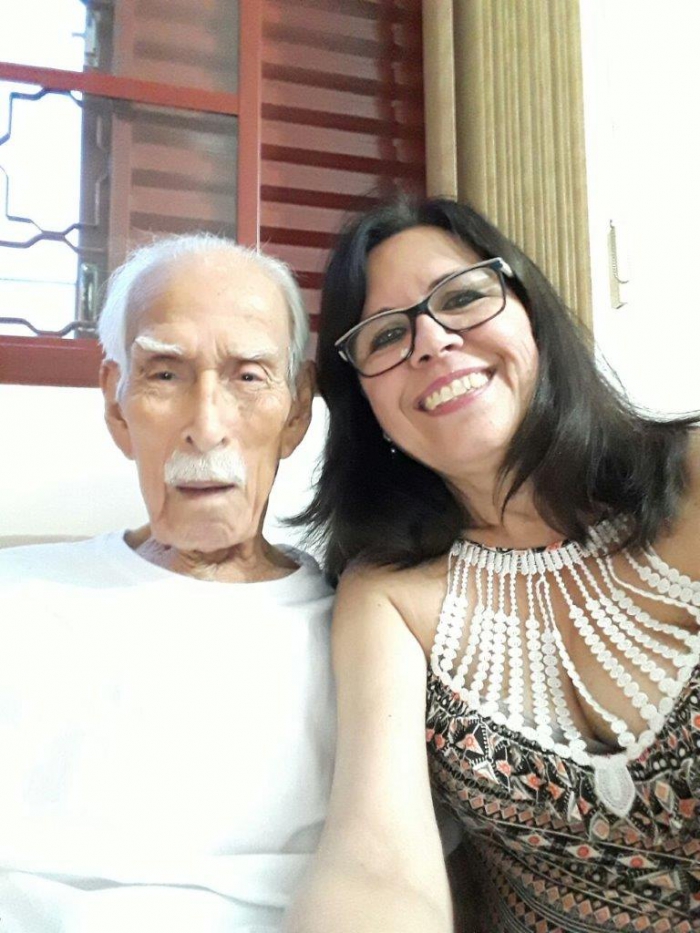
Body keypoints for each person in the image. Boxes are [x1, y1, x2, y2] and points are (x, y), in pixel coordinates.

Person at [287, 198, 700, 933]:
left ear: (529, 311)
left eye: (461, 297)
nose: (432, 340)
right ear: (365, 403)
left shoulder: (694, 474)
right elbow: (375, 858)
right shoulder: (385, 596)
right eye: (387, 335)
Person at [0, 234, 335, 933]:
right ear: (116, 404)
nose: (206, 427)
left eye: (249, 376)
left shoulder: (359, 637)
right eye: (164, 374)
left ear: (298, 408)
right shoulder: (16, 595)